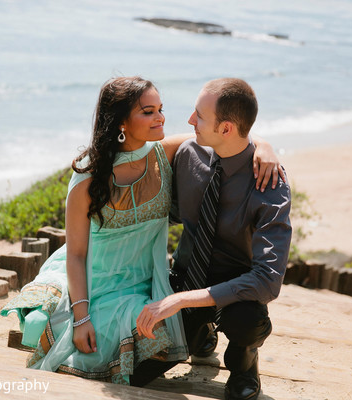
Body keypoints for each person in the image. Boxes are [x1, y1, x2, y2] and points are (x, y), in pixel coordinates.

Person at [0, 76, 283, 386]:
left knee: (241, 321)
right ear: (121, 122)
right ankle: (198, 332)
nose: (166, 118)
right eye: (149, 111)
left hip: (189, 286)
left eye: (160, 109)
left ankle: (237, 359)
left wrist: (264, 147)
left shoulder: (176, 156)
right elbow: (77, 253)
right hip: (131, 279)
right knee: (127, 371)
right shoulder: (170, 157)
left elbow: (232, 134)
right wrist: (82, 319)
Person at [134, 78, 292, 400]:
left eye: (199, 116)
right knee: (136, 374)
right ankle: (200, 334)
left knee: (247, 320)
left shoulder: (270, 184)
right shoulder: (188, 154)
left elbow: (268, 281)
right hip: (183, 275)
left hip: (235, 289)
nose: (190, 121)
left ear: (226, 129)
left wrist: (182, 301)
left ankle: (244, 363)